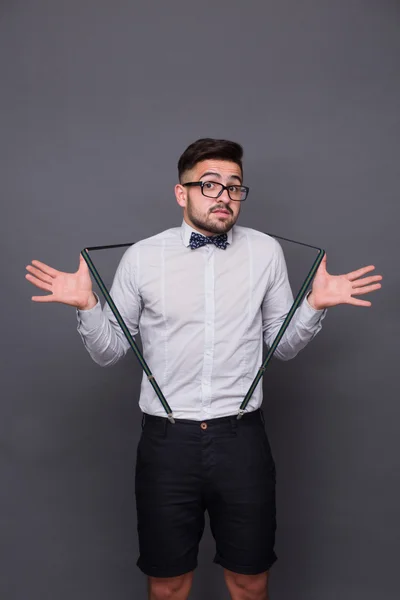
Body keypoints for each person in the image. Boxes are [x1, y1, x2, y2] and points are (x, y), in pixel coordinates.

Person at [25, 138, 382, 600]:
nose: (224, 197)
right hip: (167, 443)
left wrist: (313, 304)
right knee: (169, 584)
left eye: (234, 187)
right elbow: (109, 351)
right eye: (210, 185)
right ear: (182, 193)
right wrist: (89, 305)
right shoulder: (142, 257)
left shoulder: (266, 252)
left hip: (242, 440)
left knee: (250, 581)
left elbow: (282, 347)